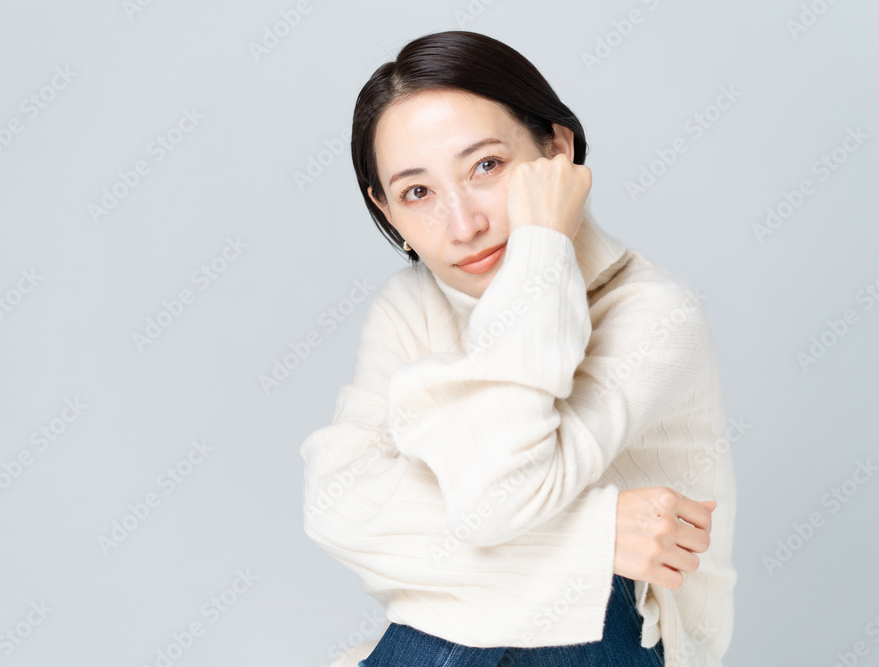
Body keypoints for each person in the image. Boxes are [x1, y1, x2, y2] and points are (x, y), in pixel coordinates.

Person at [300, 30, 737, 667]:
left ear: (556, 149)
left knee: (515, 597)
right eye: (418, 192)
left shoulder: (652, 313)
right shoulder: (410, 305)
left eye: (486, 166)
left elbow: (497, 497)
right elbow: (337, 504)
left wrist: (540, 250)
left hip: (624, 640)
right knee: (508, 590)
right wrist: (597, 537)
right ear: (388, 211)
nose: (464, 225)